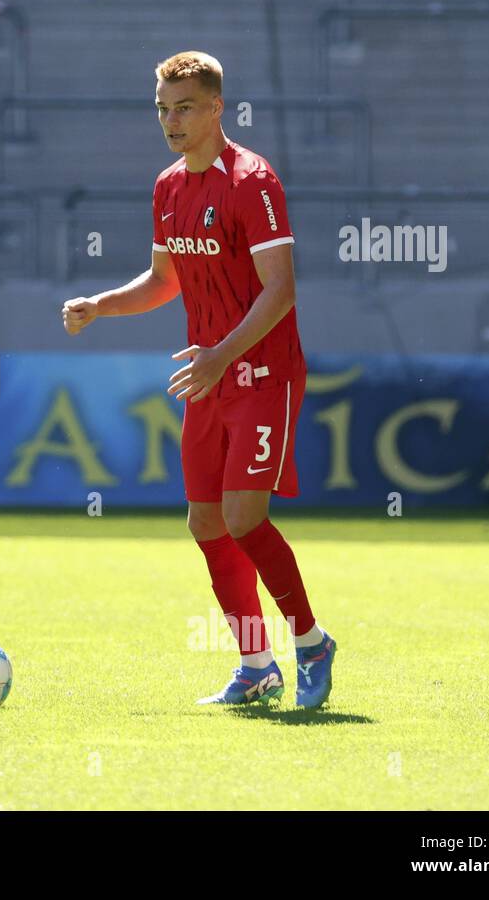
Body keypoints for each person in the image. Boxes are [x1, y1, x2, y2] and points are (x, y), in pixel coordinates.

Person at [61, 51, 337, 707]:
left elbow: (281, 291)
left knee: (244, 517)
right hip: (209, 378)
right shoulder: (167, 187)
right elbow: (163, 281)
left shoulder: (254, 182)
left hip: (263, 371)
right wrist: (102, 305)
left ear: (217, 108)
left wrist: (220, 355)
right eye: (162, 108)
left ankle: (311, 640)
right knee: (207, 523)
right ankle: (256, 664)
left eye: (184, 107)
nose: (171, 120)